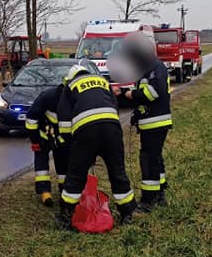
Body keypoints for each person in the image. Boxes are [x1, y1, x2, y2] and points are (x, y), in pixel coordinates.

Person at [56, 64, 136, 228]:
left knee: (76, 174)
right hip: (112, 128)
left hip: (86, 132)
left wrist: (72, 146)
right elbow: (114, 106)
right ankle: (127, 213)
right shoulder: (102, 81)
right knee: (117, 171)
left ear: (71, 77)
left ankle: (66, 217)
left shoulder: (70, 86)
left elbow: (64, 121)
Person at [113, 32, 173, 213]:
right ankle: (160, 192)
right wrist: (124, 93)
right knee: (155, 158)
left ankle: (148, 200)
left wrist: (132, 94)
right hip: (151, 123)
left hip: (155, 123)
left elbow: (153, 93)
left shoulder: (156, 68)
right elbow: (142, 93)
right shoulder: (148, 69)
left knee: (149, 160)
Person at [25, 84, 68, 206]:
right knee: (41, 163)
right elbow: (31, 119)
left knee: (63, 162)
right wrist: (35, 141)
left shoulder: (73, 99)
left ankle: (64, 190)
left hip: (61, 137)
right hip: (43, 135)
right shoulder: (47, 97)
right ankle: (44, 192)